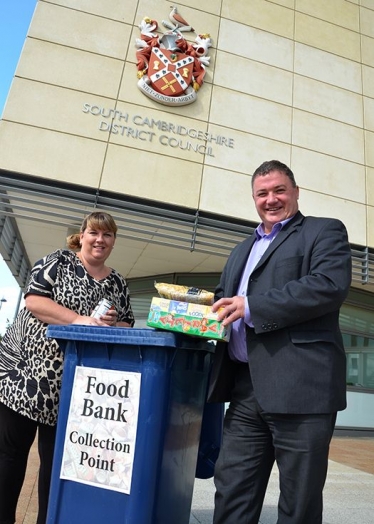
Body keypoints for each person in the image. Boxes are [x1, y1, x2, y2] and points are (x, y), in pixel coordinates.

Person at [208, 160, 352, 524]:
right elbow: (225, 300)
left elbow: (327, 286)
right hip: (244, 390)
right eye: (262, 193)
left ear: (296, 192)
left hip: (302, 390)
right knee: (232, 491)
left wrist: (251, 306)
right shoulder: (241, 249)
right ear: (253, 199)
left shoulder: (324, 232)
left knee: (299, 501)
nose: (270, 199)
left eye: (279, 190)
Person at [0, 211, 135, 524]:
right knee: (9, 455)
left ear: (114, 241)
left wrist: (114, 324)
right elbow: (34, 301)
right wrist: (80, 320)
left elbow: (127, 322)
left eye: (107, 235)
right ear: (82, 235)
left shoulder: (116, 282)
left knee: (56, 464)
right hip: (25, 375)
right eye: (94, 233)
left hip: (75, 388)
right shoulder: (58, 261)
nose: (99, 240)